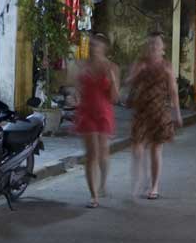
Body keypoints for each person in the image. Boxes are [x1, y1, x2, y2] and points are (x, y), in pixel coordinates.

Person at [127, 32, 182, 200]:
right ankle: (141, 178)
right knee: (137, 147)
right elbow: (129, 82)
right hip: (142, 110)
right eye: (151, 43)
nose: (153, 47)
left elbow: (173, 91)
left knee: (155, 149)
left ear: (162, 48)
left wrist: (177, 113)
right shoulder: (140, 63)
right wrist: (137, 74)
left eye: (157, 44)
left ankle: (154, 186)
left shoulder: (166, 66)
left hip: (159, 111)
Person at [73, 33, 119, 208]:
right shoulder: (82, 65)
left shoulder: (112, 67)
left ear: (104, 48)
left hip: (104, 112)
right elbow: (77, 89)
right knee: (91, 154)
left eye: (97, 46)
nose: (93, 49)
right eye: (91, 45)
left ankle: (103, 184)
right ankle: (93, 195)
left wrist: (112, 79)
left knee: (103, 151)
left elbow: (114, 98)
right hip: (86, 112)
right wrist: (74, 96)